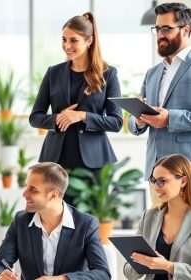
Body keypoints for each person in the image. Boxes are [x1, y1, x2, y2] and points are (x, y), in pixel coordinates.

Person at [29, 12, 122, 204]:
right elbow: (35, 117)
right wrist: (58, 118)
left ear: (89, 41)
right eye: (64, 39)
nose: (67, 46)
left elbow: (116, 121)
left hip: (94, 163)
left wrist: (82, 116)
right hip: (56, 161)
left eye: (73, 40)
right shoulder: (53, 73)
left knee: (90, 223)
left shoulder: (108, 74)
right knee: (55, 219)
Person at [0, 162, 111, 280]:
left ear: (53, 195)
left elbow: (102, 273)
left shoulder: (86, 224)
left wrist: (62, 279)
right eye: (26, 187)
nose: (24, 194)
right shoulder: (21, 221)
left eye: (33, 190)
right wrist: (1, 274)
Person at [128, 3, 191, 181]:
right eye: (157, 29)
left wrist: (169, 119)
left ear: (186, 30)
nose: (160, 35)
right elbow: (134, 123)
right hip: (155, 172)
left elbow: (168, 118)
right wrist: (138, 120)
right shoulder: (153, 73)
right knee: (156, 211)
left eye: (166, 29)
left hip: (185, 172)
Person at [123, 154, 191, 280]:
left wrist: (169, 266)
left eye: (161, 181)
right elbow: (128, 271)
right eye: (154, 181)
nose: (155, 187)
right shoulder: (148, 217)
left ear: (183, 181)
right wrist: (142, 263)